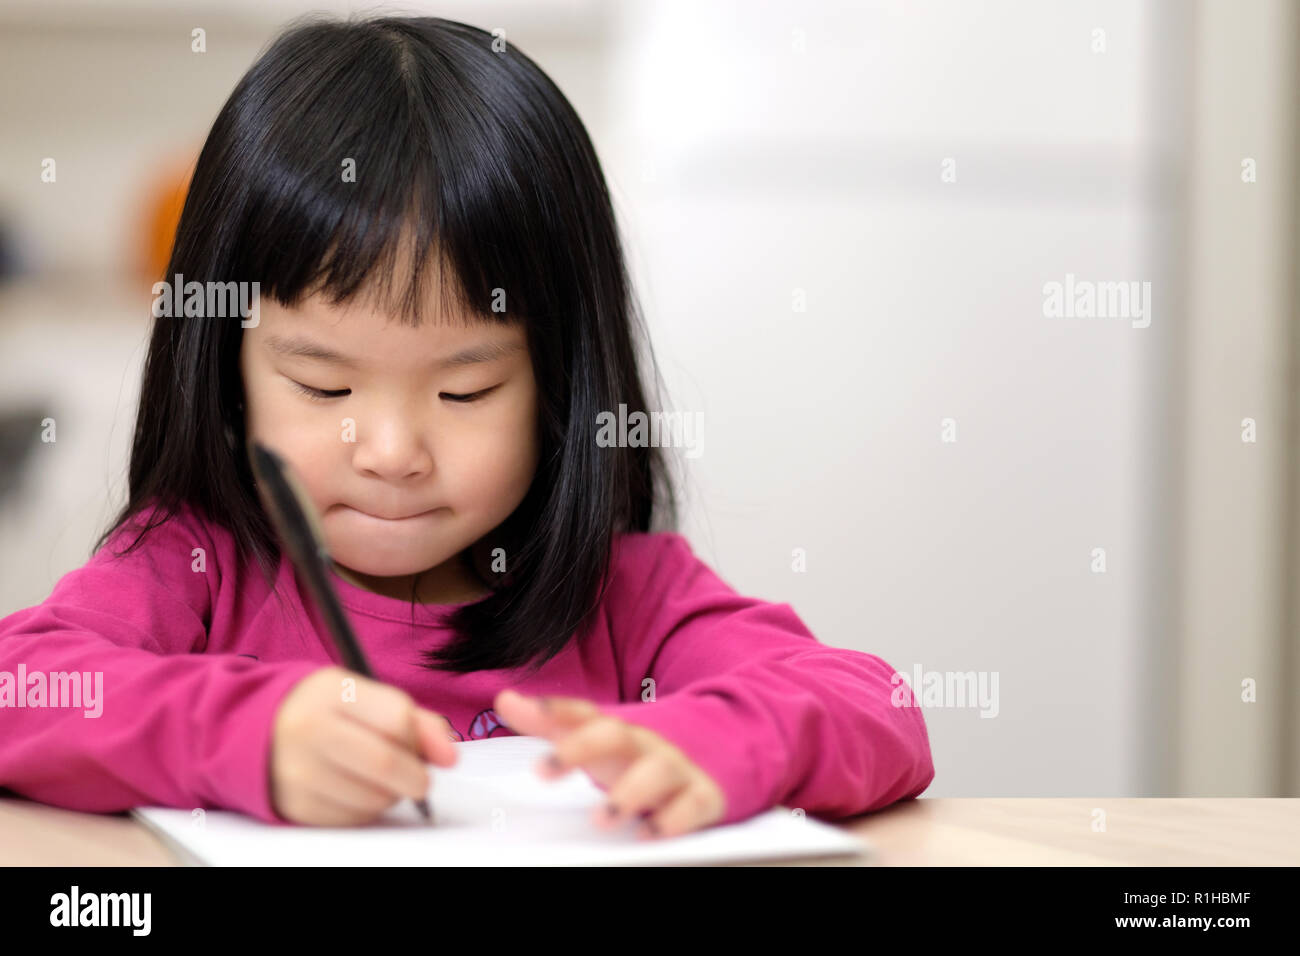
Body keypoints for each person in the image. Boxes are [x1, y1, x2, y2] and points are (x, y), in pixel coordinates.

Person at [0, 14, 933, 839]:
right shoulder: (191, 568)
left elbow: (879, 707)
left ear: (559, 384)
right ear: (228, 377)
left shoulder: (628, 597)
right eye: (323, 389)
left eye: (466, 392)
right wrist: (245, 734)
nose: (396, 453)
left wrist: (718, 744)